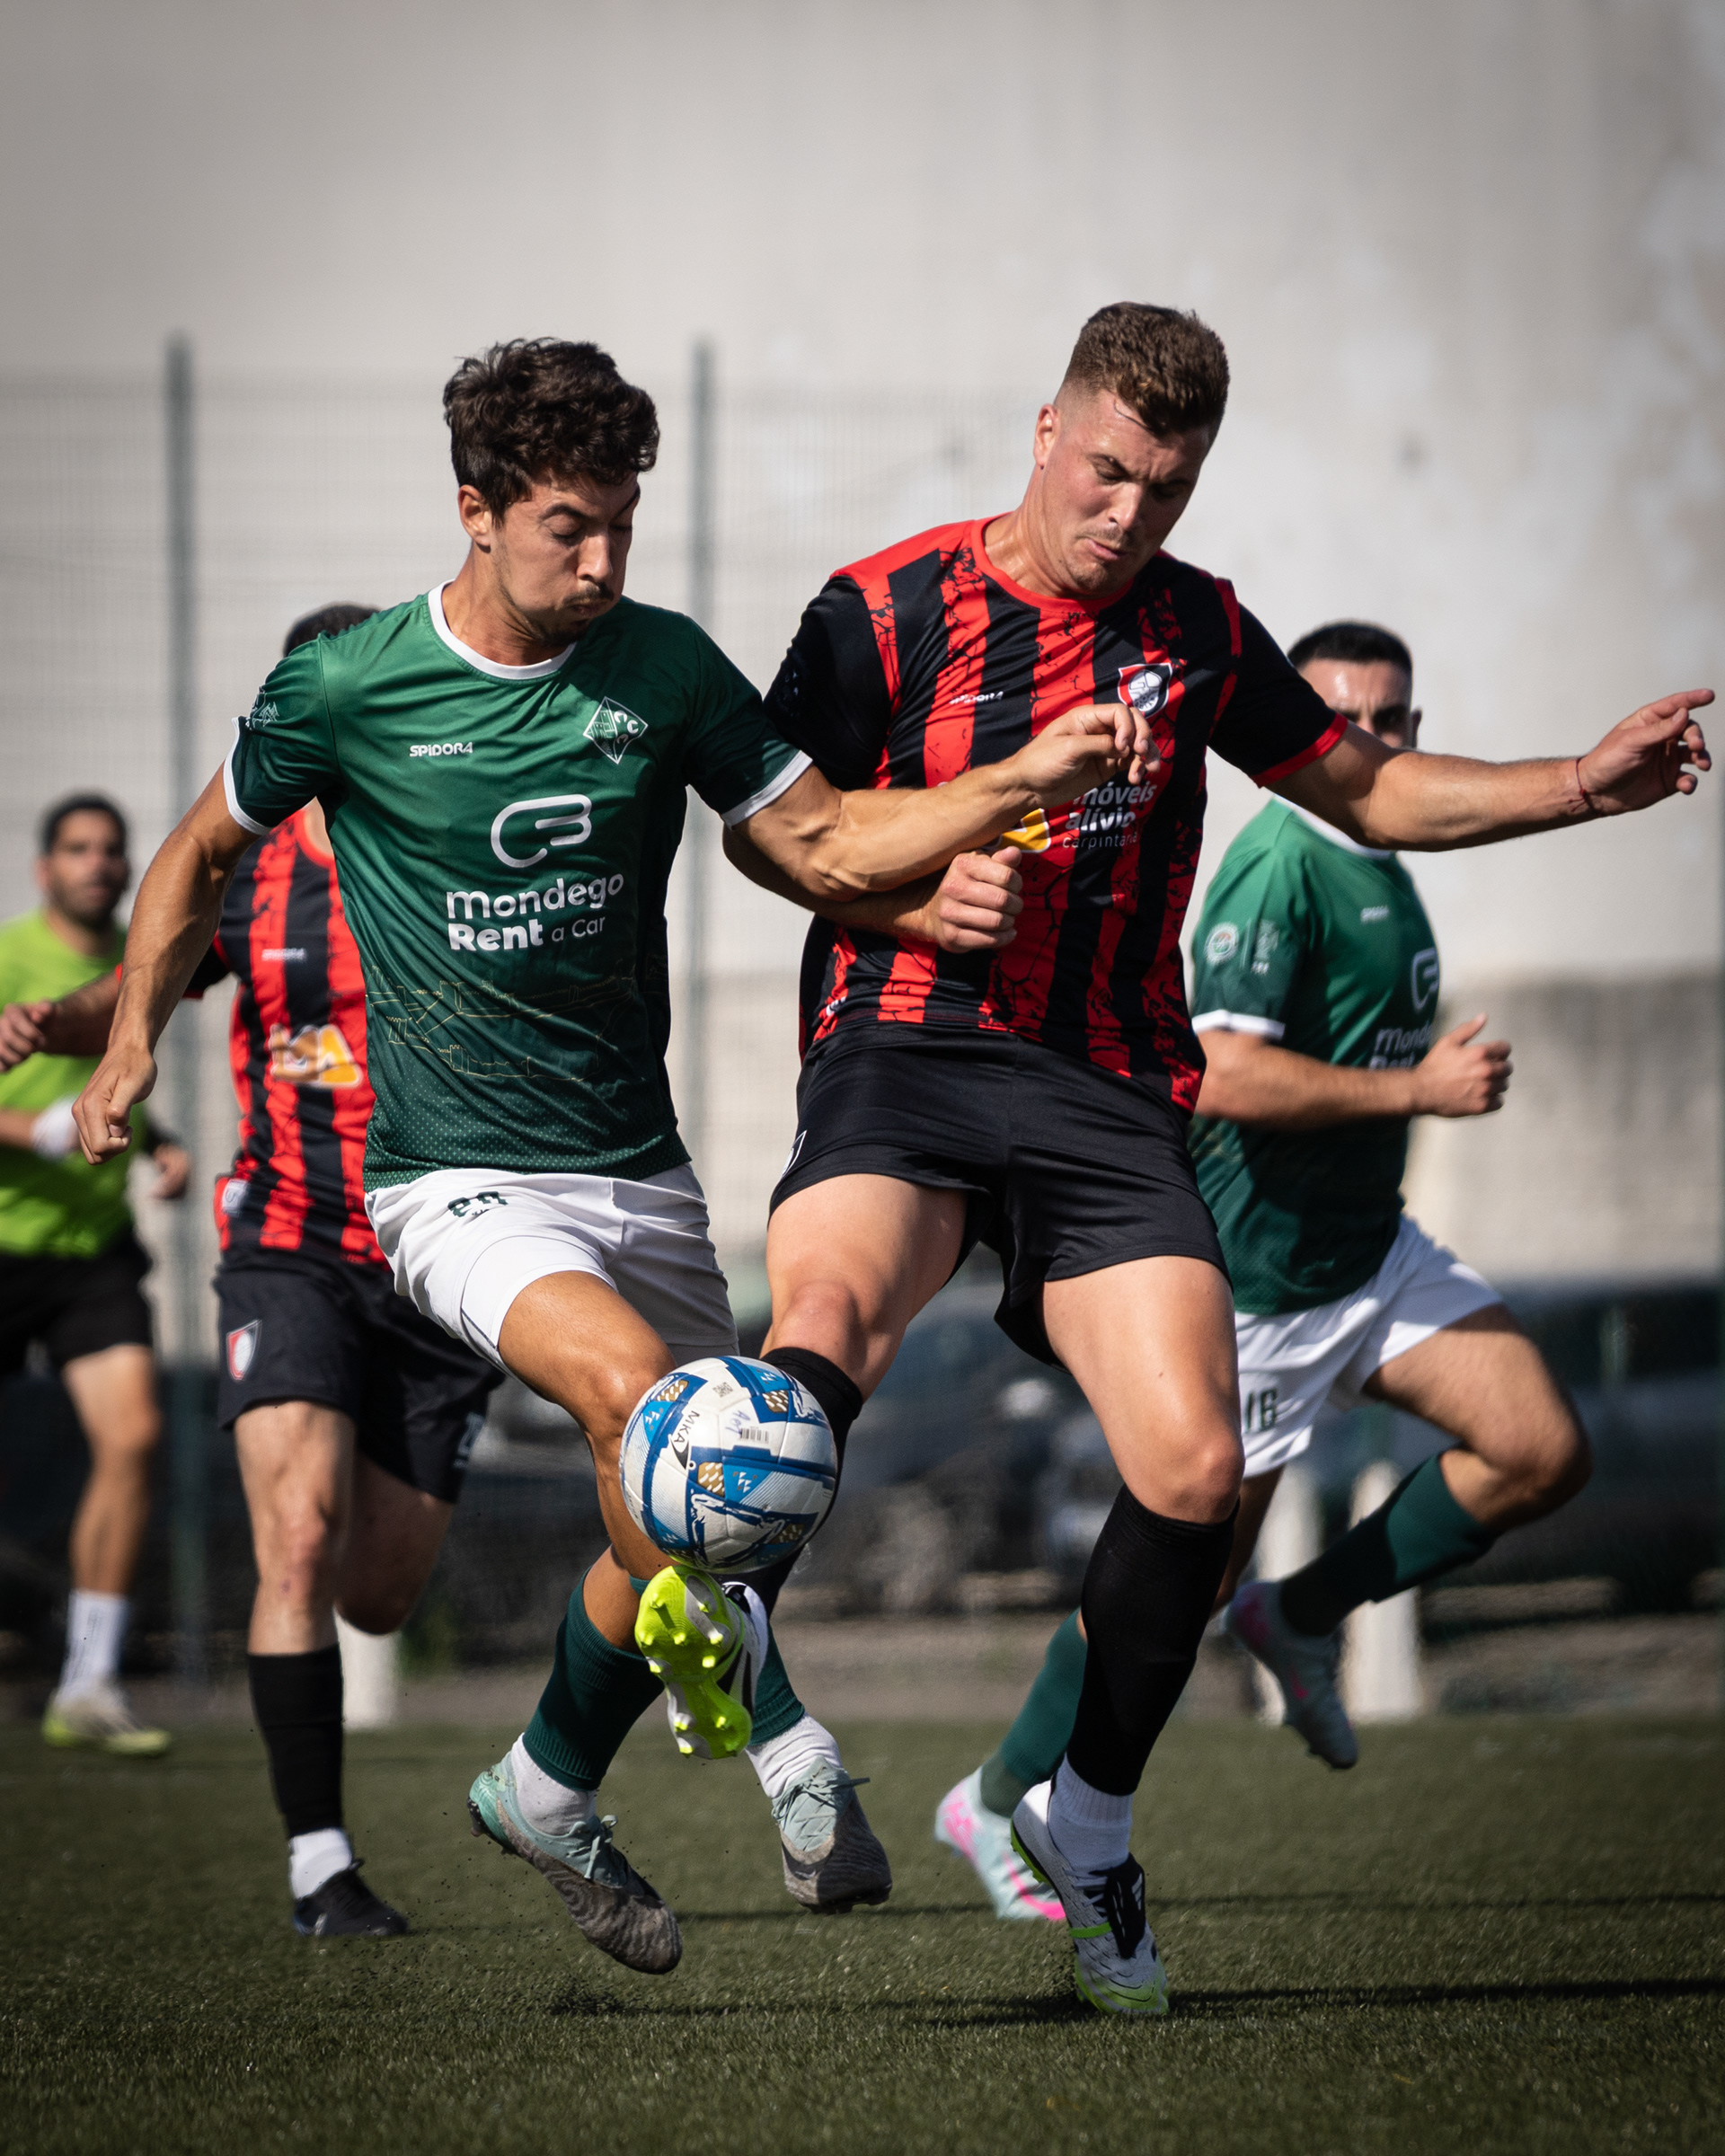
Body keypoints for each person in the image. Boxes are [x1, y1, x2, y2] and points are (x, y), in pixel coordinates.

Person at [69, 339, 1145, 1978]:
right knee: (664, 1420)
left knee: (745, 1500)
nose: (603, 560)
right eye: (569, 527)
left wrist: (1007, 785)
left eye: (623, 525)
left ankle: (547, 1781)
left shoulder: (664, 665)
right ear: (477, 511)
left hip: (638, 1173)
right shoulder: (350, 685)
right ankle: (793, 1753)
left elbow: (817, 839)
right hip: (451, 1183)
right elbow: (196, 853)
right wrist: (132, 1035)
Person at [727, 303, 1710, 2017]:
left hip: (1107, 1084)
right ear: (1048, 432)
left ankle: (1088, 1825)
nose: (1130, 516)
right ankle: (739, 1640)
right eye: (1109, 472)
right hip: (907, 1040)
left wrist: (1579, 781)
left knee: (1194, 1474)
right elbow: (771, 833)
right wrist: (933, 867)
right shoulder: (882, 608)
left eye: (1168, 490)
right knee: (826, 1328)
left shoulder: (1195, 630)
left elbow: (1372, 792)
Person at [936, 615, 1596, 1927]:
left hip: (1370, 1255)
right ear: (1303, 732)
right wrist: (1418, 1089)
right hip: (1257, 1289)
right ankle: (996, 1799)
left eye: (1396, 722)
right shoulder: (1278, 863)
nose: (1377, 741)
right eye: (1351, 721)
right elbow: (1223, 1071)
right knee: (1170, 1591)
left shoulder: (1384, 854)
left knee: (1540, 1450)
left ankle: (1300, 1619)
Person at [0, 796, 189, 1756]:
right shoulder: (9, 959)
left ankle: (88, 1682)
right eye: (77, 848)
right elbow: (48, 1108)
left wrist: (161, 1145)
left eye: (112, 849)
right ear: (45, 869)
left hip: (93, 1253)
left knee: (135, 1435)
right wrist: (33, 1131)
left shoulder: (143, 961)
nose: (99, 864)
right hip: (2, 1243)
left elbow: (122, 1082)